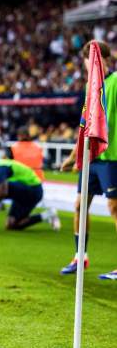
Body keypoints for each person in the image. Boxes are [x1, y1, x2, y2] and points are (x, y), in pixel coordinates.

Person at [60, 41, 117, 279]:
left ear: (106, 59)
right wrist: (74, 156)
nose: (90, 65)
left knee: (114, 208)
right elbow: (85, 124)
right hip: (91, 158)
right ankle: (79, 256)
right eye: (87, 60)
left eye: (94, 59)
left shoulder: (115, 81)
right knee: (79, 206)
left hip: (112, 156)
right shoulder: (90, 87)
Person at [0, 148, 60, 232]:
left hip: (33, 191)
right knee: (11, 225)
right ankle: (48, 214)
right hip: (21, 194)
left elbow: (3, 192)